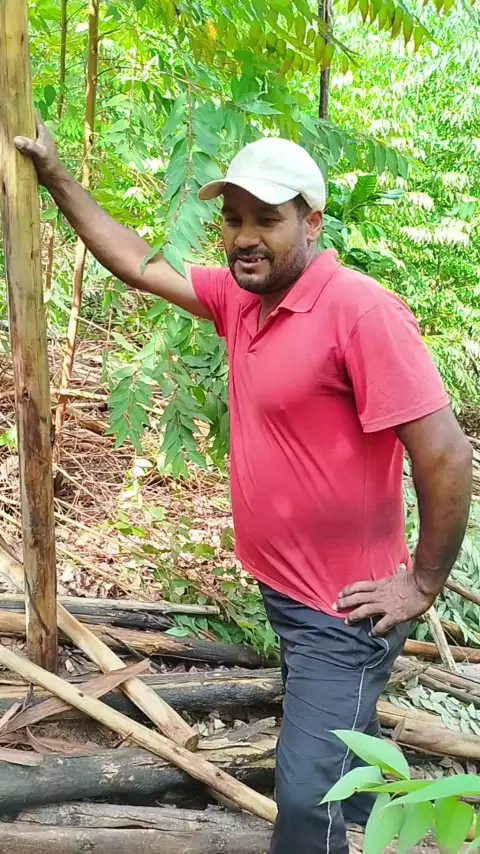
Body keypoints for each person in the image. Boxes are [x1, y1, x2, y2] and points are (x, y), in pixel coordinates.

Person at [15, 122, 473, 854]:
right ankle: (364, 824)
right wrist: (56, 176)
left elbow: (446, 454)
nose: (244, 237)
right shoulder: (241, 300)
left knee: (305, 799)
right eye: (233, 219)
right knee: (337, 760)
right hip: (284, 589)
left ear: (311, 222)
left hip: (343, 613)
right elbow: (136, 261)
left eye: (267, 218)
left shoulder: (360, 312)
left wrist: (422, 582)